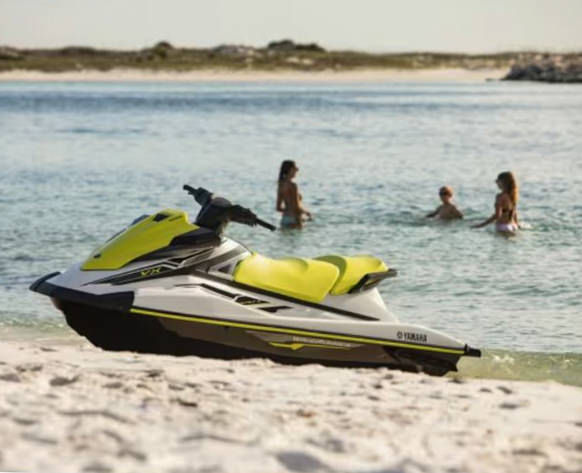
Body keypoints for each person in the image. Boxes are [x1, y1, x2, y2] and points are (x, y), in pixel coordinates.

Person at [276, 160, 312, 229]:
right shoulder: (293, 185)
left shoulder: (280, 185)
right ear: (290, 170)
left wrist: (288, 211)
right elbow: (296, 207)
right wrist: (307, 213)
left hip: (284, 219)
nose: (297, 170)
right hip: (294, 220)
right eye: (295, 168)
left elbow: (278, 208)